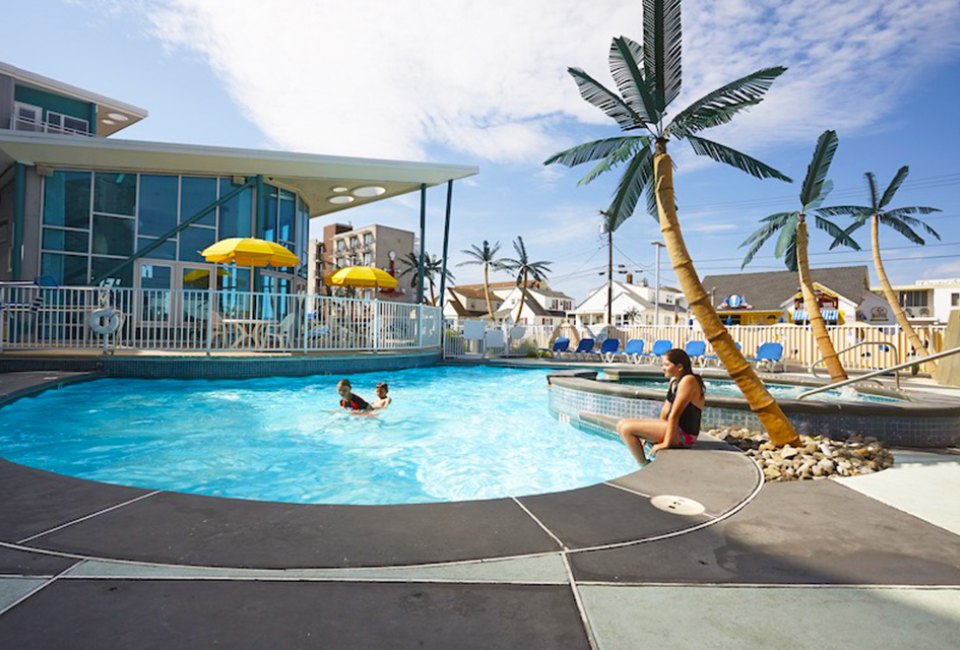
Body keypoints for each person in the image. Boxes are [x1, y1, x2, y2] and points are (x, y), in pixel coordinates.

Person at [616, 348, 705, 464]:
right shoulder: (675, 381)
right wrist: (654, 434)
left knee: (627, 429)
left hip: (685, 436)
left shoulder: (689, 381)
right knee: (621, 424)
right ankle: (644, 462)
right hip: (674, 430)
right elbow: (665, 410)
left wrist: (665, 443)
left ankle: (643, 464)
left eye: (667, 365)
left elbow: (674, 414)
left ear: (679, 367)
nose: (663, 368)